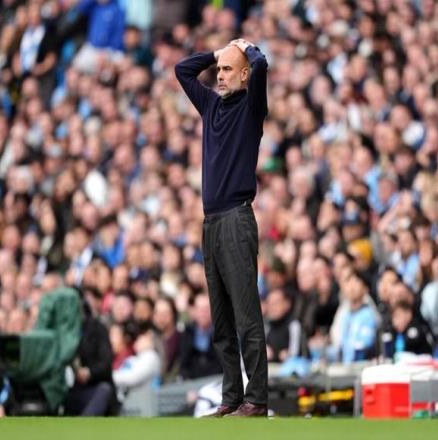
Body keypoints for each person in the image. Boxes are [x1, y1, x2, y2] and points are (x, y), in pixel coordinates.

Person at [175, 38, 268, 417]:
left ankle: (256, 399)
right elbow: (182, 70)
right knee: (221, 320)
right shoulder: (212, 105)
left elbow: (261, 67)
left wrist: (248, 49)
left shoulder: (251, 107)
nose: (220, 75)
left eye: (228, 70)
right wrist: (216, 54)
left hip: (236, 218)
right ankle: (231, 397)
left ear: (244, 75)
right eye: (219, 70)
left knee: (246, 316)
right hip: (211, 222)